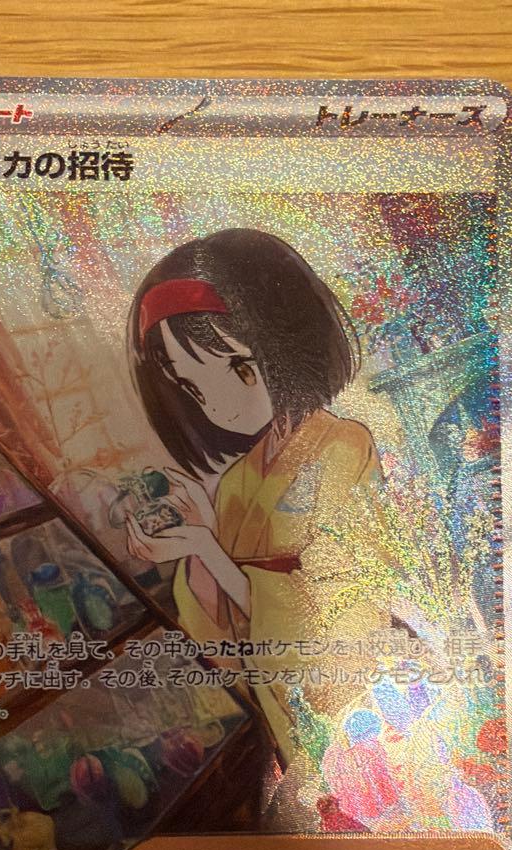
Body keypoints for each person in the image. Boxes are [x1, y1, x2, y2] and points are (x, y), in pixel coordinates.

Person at [124, 229, 390, 782]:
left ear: (283, 344)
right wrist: (199, 545)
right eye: (194, 388)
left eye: (239, 369)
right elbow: (224, 639)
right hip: (283, 711)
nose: (219, 407)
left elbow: (333, 620)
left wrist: (210, 551)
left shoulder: (342, 448)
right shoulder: (237, 481)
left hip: (355, 713)